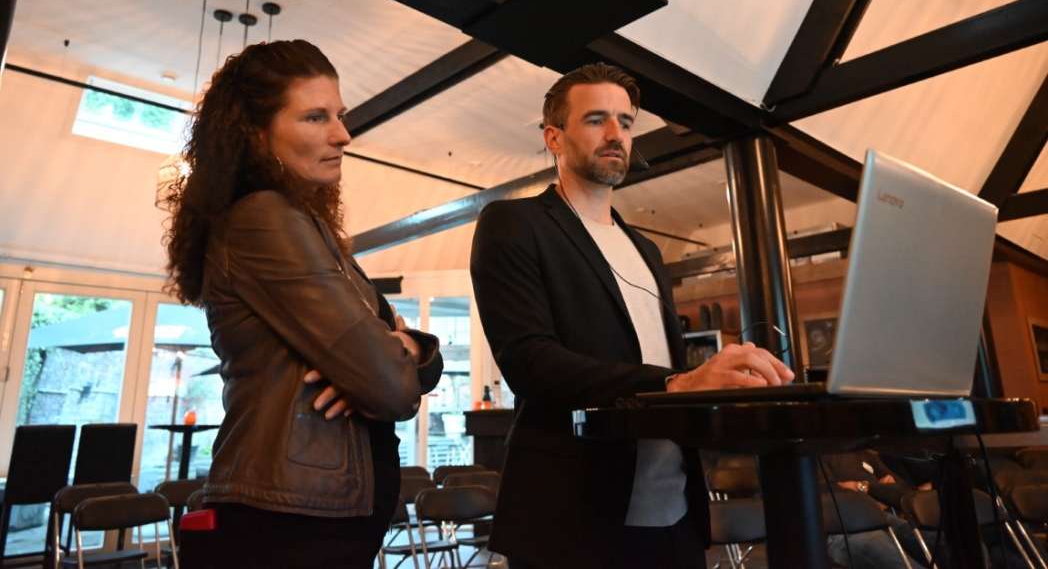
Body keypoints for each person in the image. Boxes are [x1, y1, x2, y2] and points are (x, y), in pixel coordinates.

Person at [470, 62, 794, 569]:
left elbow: (664, 366)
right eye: (596, 119)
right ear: (554, 138)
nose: (615, 133)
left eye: (625, 121)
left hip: (676, 514)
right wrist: (676, 385)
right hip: (573, 518)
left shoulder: (647, 250)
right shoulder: (514, 223)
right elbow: (529, 362)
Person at [162, 40, 442, 568]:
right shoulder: (264, 217)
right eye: (316, 117)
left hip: (309, 517)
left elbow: (399, 360)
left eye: (339, 115)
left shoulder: (308, 225)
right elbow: (391, 387)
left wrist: (405, 347)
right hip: (287, 523)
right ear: (254, 132)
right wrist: (390, 359)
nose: (343, 134)